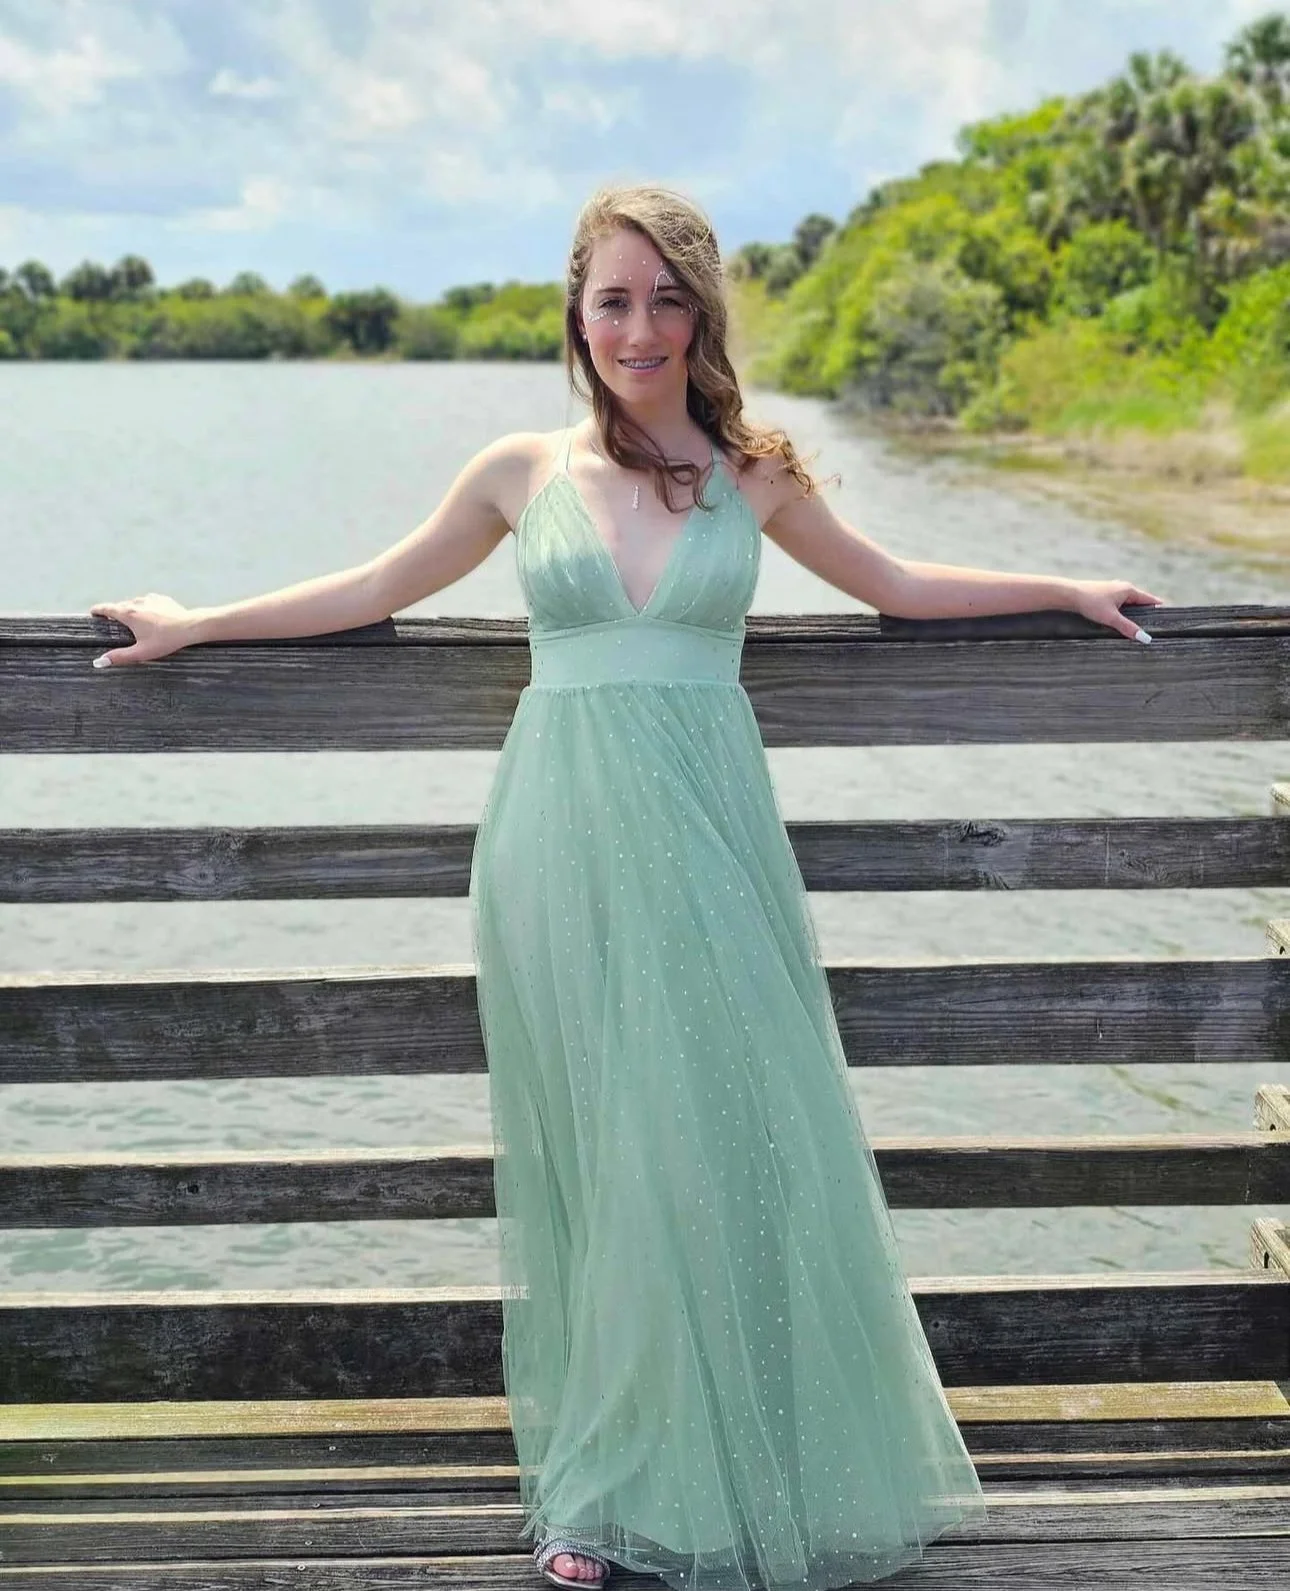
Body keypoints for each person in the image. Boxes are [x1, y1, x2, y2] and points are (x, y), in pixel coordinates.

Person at [89, 182, 1165, 1591]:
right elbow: (372, 586)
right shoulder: (516, 468)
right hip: (561, 842)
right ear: (575, 312)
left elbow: (893, 584)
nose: (639, 326)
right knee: (603, 1155)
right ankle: (602, 1493)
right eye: (613, 297)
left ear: (701, 313)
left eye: (666, 298)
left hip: (712, 842)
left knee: (726, 1141)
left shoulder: (754, 468)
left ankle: (757, 1469)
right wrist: (198, 621)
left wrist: (1060, 584)